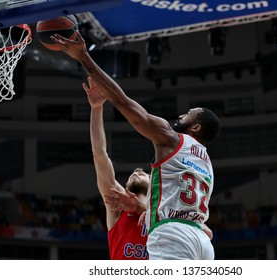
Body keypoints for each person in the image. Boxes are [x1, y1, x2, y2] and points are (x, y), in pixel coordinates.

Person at [51, 32, 221, 260]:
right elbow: (100, 156)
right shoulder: (206, 163)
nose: (181, 115)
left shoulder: (171, 139)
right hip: (199, 240)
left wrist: (84, 57)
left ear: (197, 127)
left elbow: (122, 100)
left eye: (189, 114)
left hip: (175, 234)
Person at [83, 76, 149, 260]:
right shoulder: (118, 203)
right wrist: (96, 109)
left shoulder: (164, 208)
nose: (137, 171)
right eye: (134, 173)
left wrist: (139, 207)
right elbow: (100, 155)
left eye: (143, 172)